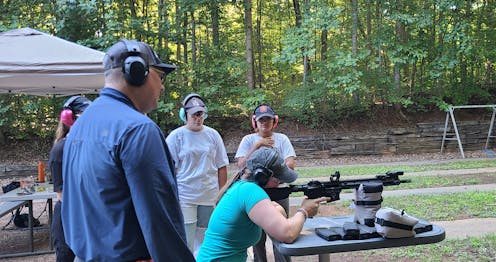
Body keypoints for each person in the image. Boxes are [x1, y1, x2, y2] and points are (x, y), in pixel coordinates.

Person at [61, 39, 194, 261]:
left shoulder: (79, 127)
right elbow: (160, 220)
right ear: (137, 71)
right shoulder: (138, 130)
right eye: (159, 76)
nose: (162, 86)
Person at [197, 147, 329, 261]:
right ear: (262, 176)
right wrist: (304, 211)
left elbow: (279, 214)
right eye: (277, 178)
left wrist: (280, 210)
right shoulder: (250, 191)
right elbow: (287, 234)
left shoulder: (240, 187)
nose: (279, 183)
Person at [166, 93, 229, 256]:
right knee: (186, 239)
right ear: (184, 114)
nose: (197, 117)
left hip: (209, 195)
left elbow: (221, 165)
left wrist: (221, 193)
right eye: (194, 114)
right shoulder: (175, 137)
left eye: (200, 113)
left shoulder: (213, 135)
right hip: (185, 196)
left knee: (206, 238)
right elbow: (169, 169)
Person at [235, 104, 297, 262]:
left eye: (268, 119)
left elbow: (290, 164)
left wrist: (274, 179)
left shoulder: (282, 139)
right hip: (255, 193)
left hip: (278, 192)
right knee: (257, 238)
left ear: (274, 121)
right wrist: (257, 146)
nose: (264, 123)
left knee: (281, 234)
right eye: (261, 120)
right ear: (254, 122)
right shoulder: (248, 140)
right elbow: (241, 165)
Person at [49, 95, 91, 262]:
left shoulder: (90, 145)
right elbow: (62, 194)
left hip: (86, 214)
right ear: (69, 117)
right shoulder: (61, 149)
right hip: (69, 217)